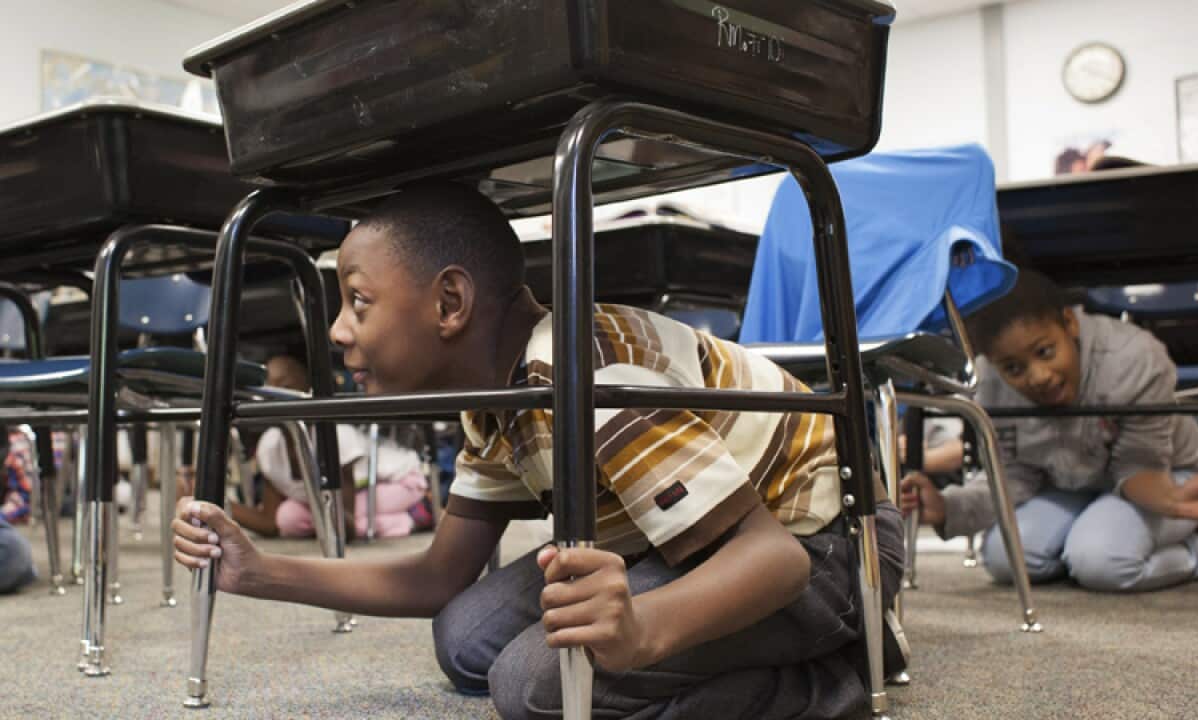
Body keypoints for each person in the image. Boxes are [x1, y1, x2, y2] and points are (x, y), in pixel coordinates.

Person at [172, 181, 904, 719]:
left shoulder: (589, 382)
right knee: (462, 637)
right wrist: (261, 571)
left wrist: (641, 630)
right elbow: (438, 578)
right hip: (689, 544)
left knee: (535, 688)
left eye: (357, 301)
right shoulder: (496, 397)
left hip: (829, 546)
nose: (336, 331)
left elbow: (773, 559)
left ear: (449, 304)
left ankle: (840, 673)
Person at [902, 267, 1198, 592]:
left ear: (1069, 323)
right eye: (1013, 368)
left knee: (1102, 562)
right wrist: (948, 508)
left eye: (1045, 352)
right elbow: (1013, 474)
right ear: (993, 363)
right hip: (1073, 484)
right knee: (1005, 560)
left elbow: (1139, 466)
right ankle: (1088, 536)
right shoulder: (989, 382)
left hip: (1163, 476)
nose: (1037, 377)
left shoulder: (1134, 357)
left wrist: (1178, 501)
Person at [230, 354, 432, 539]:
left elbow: (345, 527)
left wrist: (323, 523)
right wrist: (212, 501)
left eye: (283, 385)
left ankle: (414, 516)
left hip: (400, 482)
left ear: (308, 393)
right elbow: (271, 523)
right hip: (327, 502)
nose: (271, 394)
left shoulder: (334, 436)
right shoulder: (269, 446)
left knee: (358, 524)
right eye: (266, 385)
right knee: (286, 518)